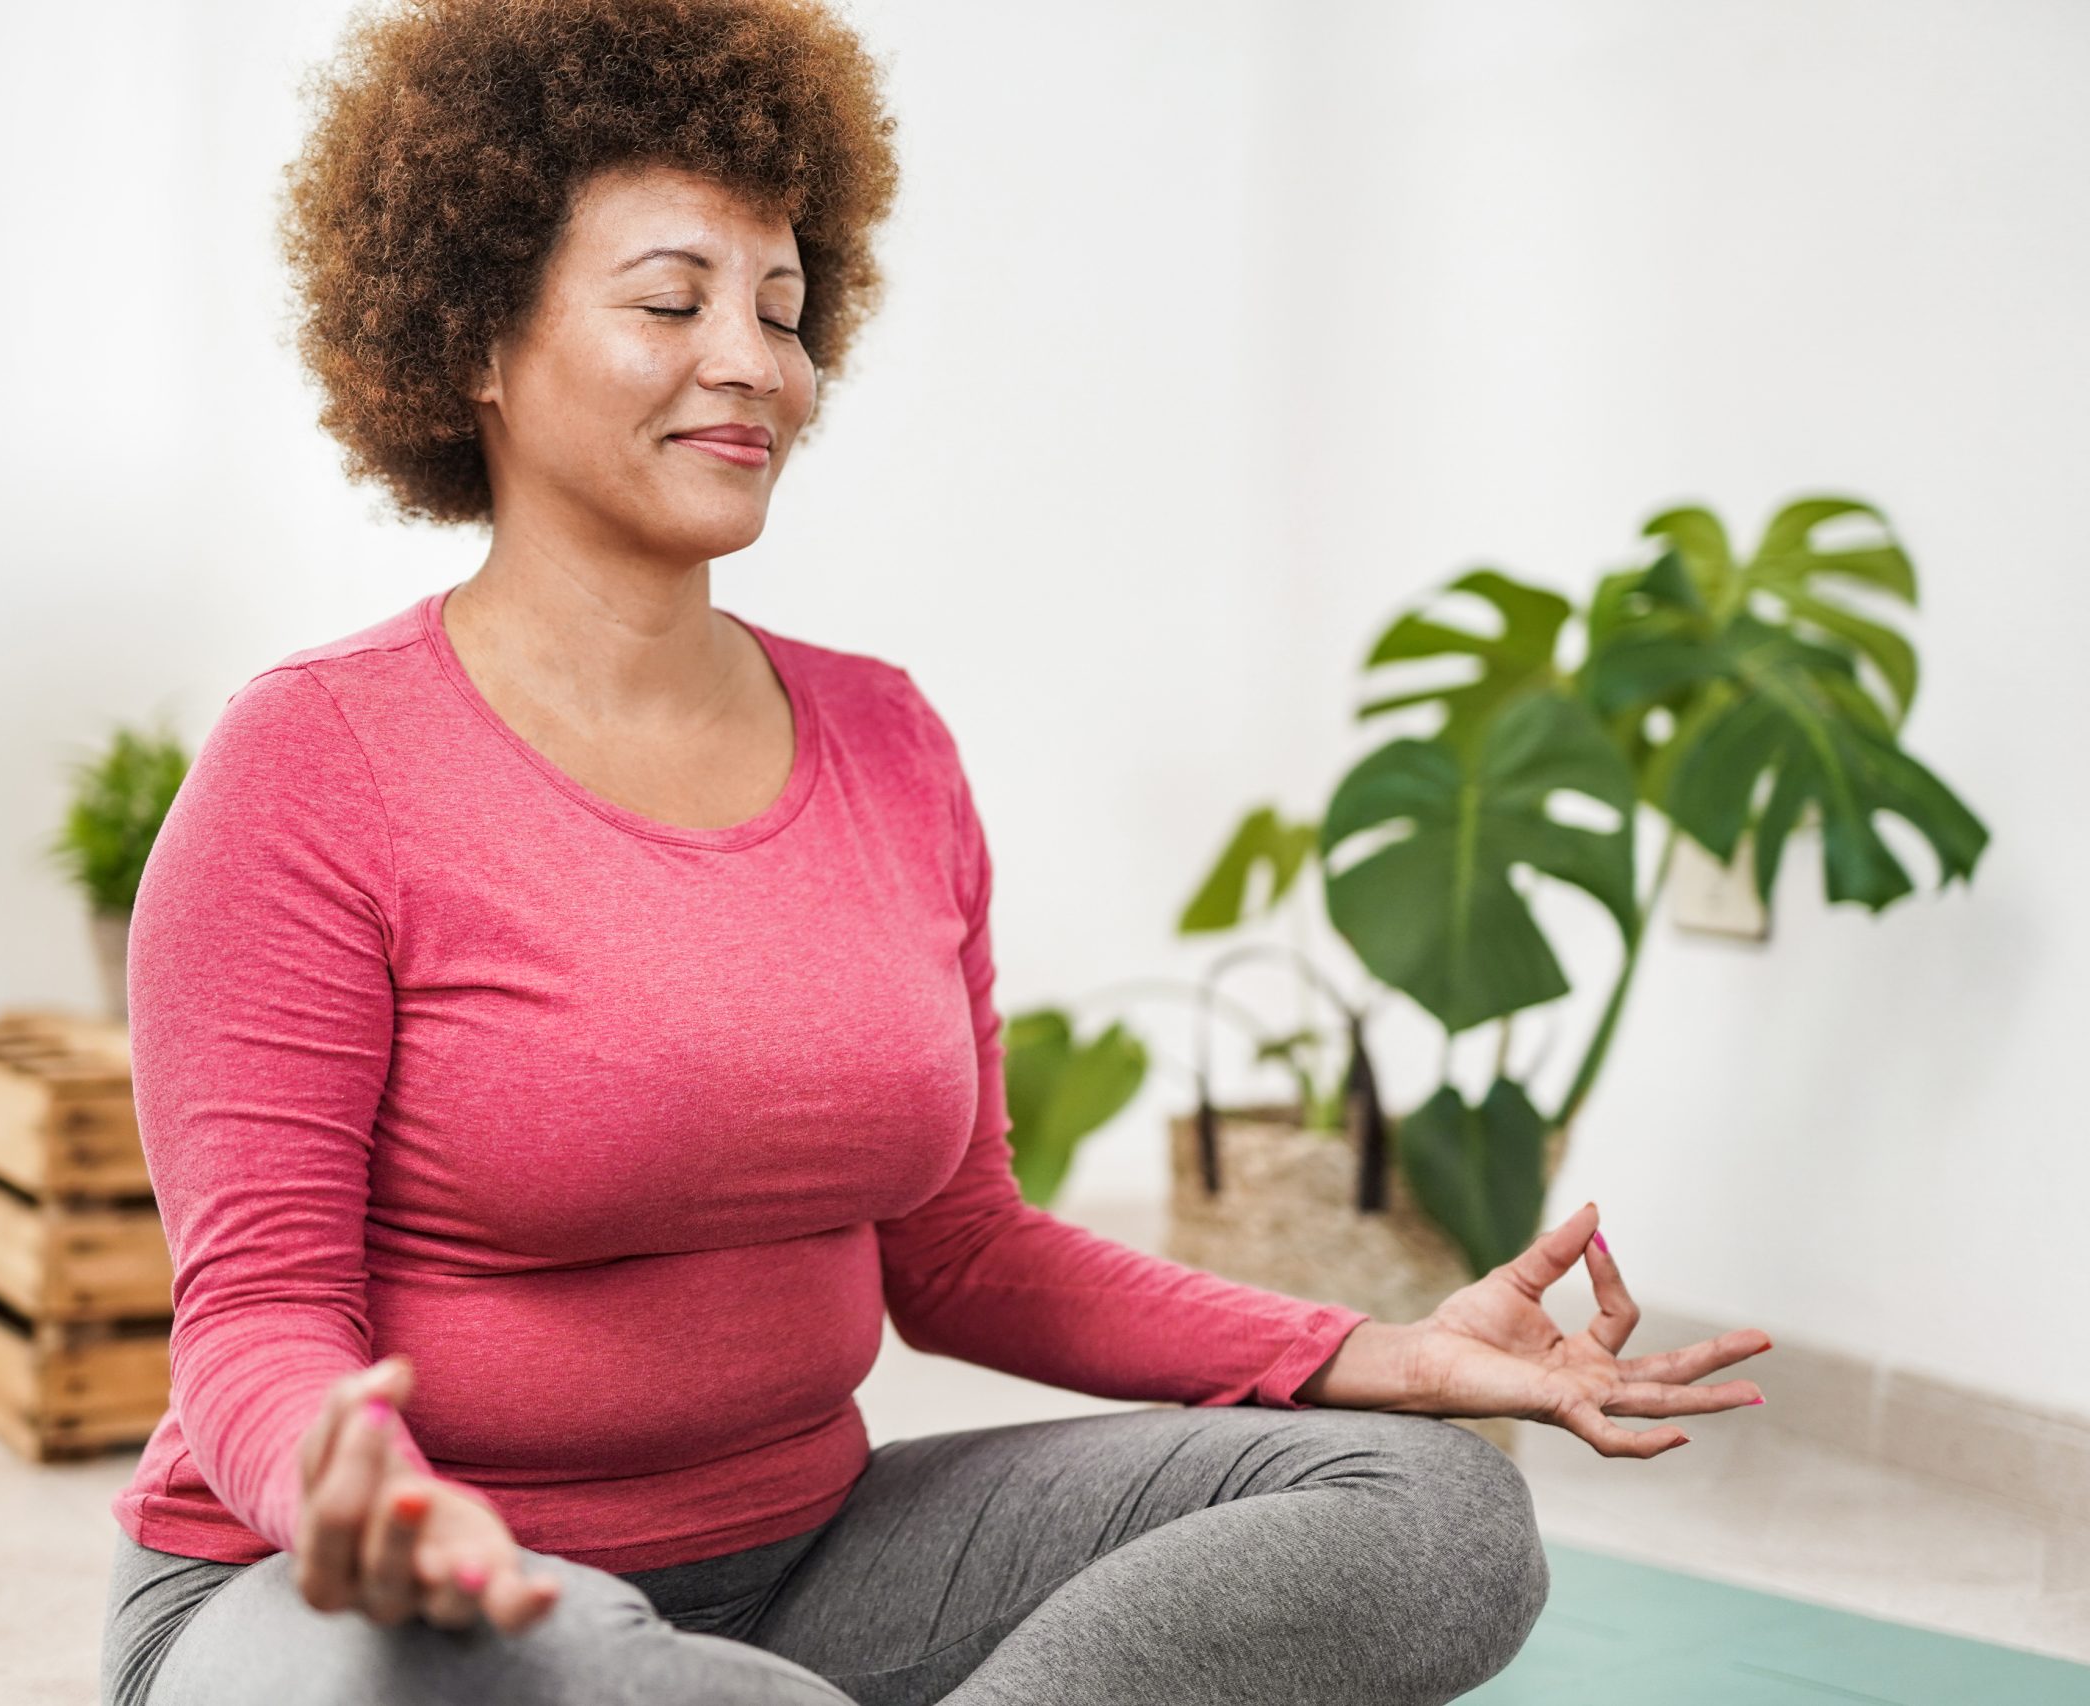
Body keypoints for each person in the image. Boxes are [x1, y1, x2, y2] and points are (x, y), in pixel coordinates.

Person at [98, 1, 1774, 1701]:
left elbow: (966, 1250)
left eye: (783, 307)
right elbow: (253, 1312)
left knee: (1439, 1516)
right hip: (377, 1607)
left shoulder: (885, 740)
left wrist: (1375, 1354)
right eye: (673, 299)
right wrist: (349, 1478)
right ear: (473, 335)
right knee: (606, 1680)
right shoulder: (314, 761)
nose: (752, 359)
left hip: (812, 1564)